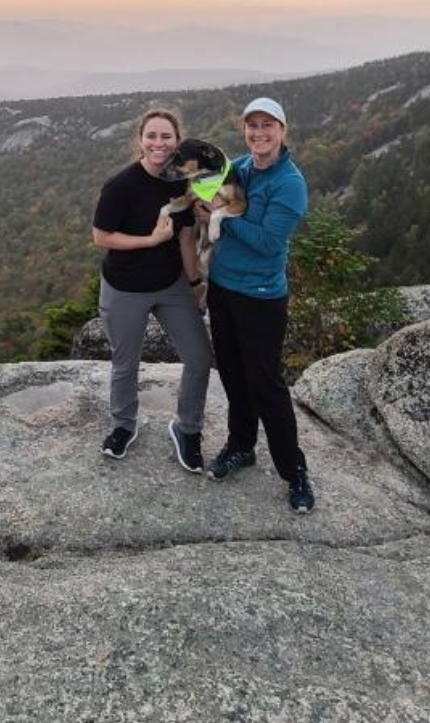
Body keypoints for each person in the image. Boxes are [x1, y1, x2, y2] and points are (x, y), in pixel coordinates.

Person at [202, 96, 315, 513]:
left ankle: (294, 470)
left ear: (283, 131)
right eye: (253, 125)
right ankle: (241, 445)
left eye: (268, 125)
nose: (259, 133)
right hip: (223, 288)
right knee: (232, 374)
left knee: (266, 384)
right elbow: (205, 191)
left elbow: (269, 244)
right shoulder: (241, 167)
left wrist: (225, 216)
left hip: (262, 297)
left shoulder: (290, 184)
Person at [92, 107, 213, 471]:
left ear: (177, 141)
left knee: (200, 357)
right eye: (152, 136)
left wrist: (194, 282)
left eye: (166, 136)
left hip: (170, 282)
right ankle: (123, 426)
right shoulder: (121, 185)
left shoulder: (181, 183)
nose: (159, 143)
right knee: (125, 363)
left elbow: (187, 237)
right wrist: (149, 240)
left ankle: (187, 429)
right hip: (125, 286)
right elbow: (101, 236)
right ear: (140, 140)